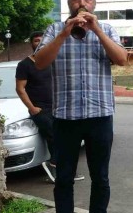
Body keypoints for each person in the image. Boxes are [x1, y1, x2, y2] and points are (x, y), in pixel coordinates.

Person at [34, 0, 128, 213]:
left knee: (101, 178)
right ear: (69, 3)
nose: (82, 2)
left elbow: (122, 58)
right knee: (63, 180)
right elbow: (39, 63)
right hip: (65, 117)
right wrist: (65, 31)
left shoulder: (107, 30)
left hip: (100, 116)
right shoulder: (54, 30)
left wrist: (96, 30)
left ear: (94, 3)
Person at [15, 31, 84, 184]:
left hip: (58, 107)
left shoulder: (52, 61)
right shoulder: (24, 65)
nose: (38, 43)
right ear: (31, 43)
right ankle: (53, 163)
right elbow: (20, 89)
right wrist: (32, 108)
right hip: (40, 109)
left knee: (62, 138)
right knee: (55, 136)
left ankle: (63, 171)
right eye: (35, 40)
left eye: (41, 40)